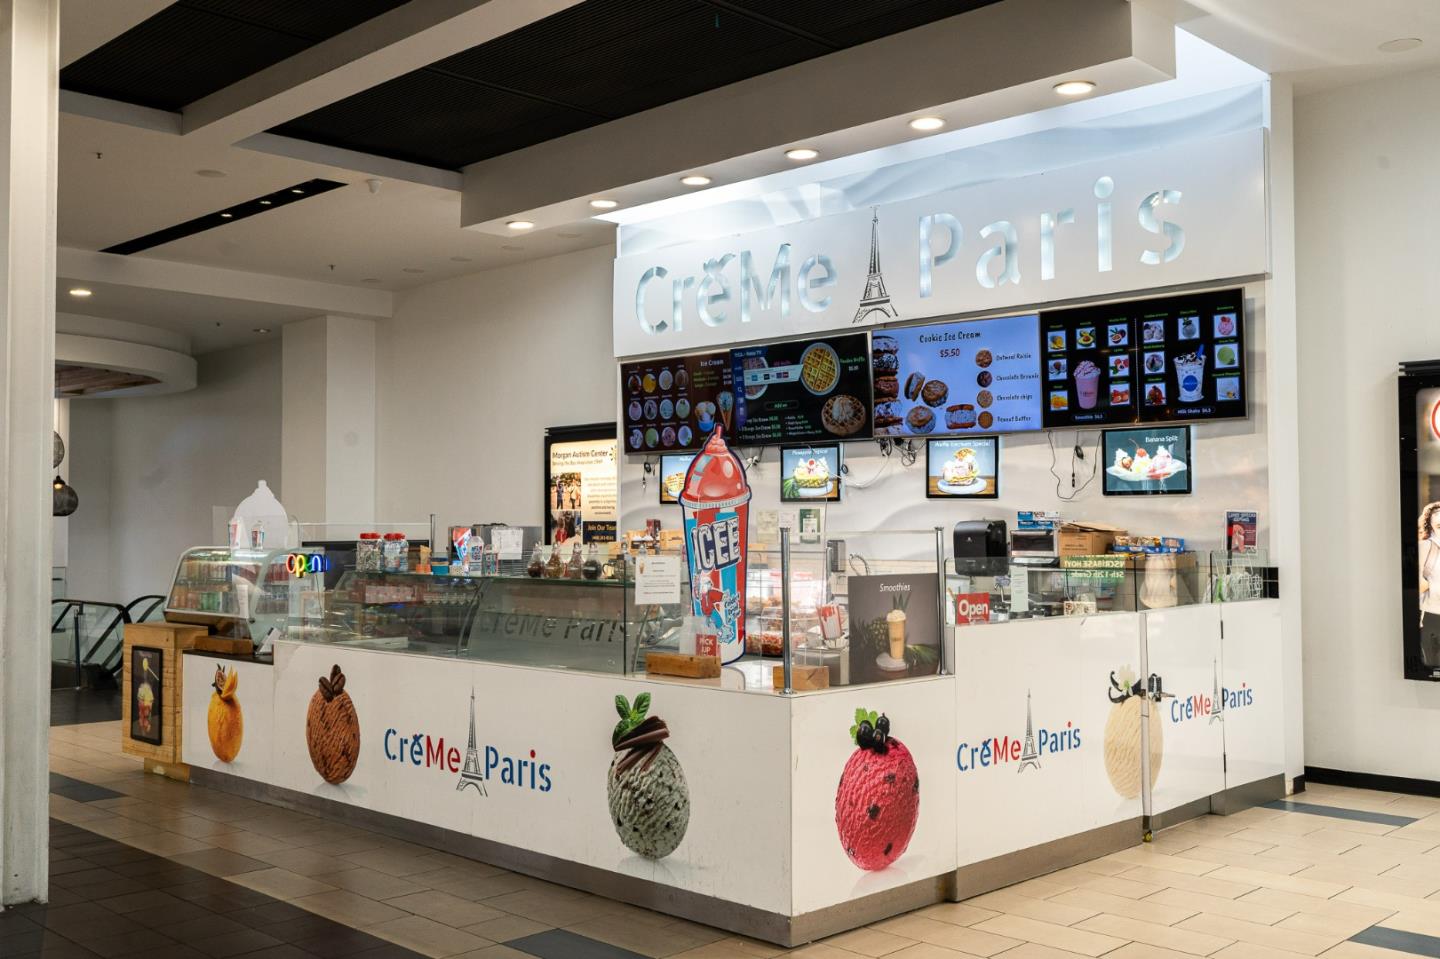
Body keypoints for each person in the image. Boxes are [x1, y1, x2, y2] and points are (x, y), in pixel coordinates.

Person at [1418, 501, 1440, 668]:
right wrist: (1429, 586)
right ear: (1431, 527)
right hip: (1433, 615)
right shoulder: (1426, 546)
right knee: (1433, 665)